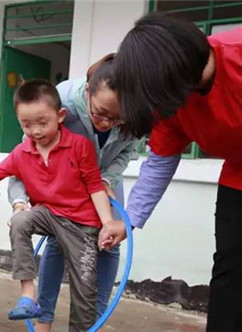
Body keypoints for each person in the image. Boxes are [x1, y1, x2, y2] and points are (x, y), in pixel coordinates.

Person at [0, 79, 121, 331]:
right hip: (47, 214)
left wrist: (108, 222)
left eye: (42, 123)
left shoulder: (79, 146)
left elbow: (94, 186)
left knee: (84, 290)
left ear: (60, 116)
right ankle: (28, 293)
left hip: (81, 223)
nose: (35, 131)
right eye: (26, 124)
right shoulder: (21, 153)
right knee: (20, 219)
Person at [99, 13, 242, 332]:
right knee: (231, 270)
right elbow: (160, 161)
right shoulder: (170, 103)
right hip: (238, 176)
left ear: (172, 69)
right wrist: (129, 220)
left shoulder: (237, 52)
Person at [8, 54, 141, 332]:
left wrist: (107, 180)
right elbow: (24, 157)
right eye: (101, 114)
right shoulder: (61, 101)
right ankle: (43, 319)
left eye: (117, 119)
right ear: (89, 90)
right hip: (65, 177)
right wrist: (19, 202)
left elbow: (129, 150)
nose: (107, 123)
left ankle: (93, 322)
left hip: (105, 179)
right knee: (58, 240)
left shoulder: (140, 111)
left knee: (109, 242)